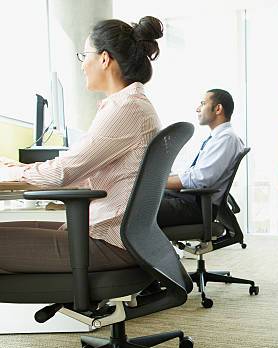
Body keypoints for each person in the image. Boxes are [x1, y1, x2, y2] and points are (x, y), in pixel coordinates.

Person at [0, 16, 164, 273]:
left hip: (109, 242)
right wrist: (25, 169)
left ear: (104, 58)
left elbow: (61, 174)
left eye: (84, 55)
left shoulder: (126, 108)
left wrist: (11, 171)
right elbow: (83, 175)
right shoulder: (131, 104)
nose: (82, 65)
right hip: (115, 235)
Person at [157, 89, 245, 227]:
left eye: (203, 103)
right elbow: (195, 174)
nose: (197, 109)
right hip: (190, 200)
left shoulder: (226, 139)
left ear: (218, 108)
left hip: (194, 207)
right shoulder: (219, 138)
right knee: (138, 200)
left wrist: (157, 182)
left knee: (136, 210)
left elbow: (199, 179)